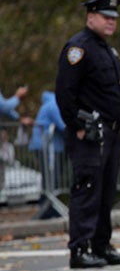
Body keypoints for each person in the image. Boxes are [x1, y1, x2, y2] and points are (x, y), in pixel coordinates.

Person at [55, 0, 120, 269]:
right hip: (90, 133)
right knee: (87, 190)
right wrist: (77, 126)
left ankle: (101, 245)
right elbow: (65, 94)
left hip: (110, 133)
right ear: (91, 17)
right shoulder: (79, 48)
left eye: (114, 17)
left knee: (105, 192)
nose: (111, 21)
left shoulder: (106, 49)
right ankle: (80, 249)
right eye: (106, 16)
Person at [29, 90, 66, 219]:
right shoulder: (54, 105)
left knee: (49, 179)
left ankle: (47, 207)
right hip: (48, 148)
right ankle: (48, 209)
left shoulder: (49, 103)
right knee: (51, 179)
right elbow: (63, 125)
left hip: (45, 146)